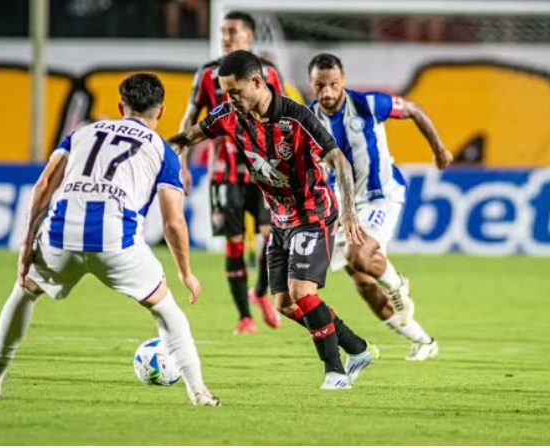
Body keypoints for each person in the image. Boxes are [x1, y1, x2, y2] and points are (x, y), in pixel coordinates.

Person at [0, 73, 220, 406]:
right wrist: (186, 271)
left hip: (60, 235)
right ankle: (199, 392)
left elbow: (43, 186)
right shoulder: (162, 150)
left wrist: (27, 242)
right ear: (162, 110)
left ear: (119, 106)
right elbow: (173, 221)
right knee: (166, 309)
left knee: (24, 293)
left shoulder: (81, 133)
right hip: (117, 242)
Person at [169, 50, 378, 390]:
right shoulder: (229, 115)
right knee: (283, 303)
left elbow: (338, 159)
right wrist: (153, 150)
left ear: (256, 82)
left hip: (313, 214)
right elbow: (188, 137)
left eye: (235, 91)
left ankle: (335, 372)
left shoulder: (296, 117)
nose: (229, 99)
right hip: (279, 219)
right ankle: (357, 347)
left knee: (301, 291)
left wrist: (350, 212)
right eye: (225, 92)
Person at [307, 53, 453, 360]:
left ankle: (398, 286)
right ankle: (423, 340)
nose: (328, 93)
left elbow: (414, 110)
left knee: (358, 255)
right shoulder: (308, 118)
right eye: (320, 86)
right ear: (311, 85)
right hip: (343, 203)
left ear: (343, 81)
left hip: (382, 196)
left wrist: (438, 149)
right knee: (363, 284)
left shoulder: (369, 105)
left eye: (333, 84)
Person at [179, 10, 285, 335]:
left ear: (249, 37)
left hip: (264, 171)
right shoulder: (208, 73)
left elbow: (282, 118)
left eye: (234, 31)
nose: (227, 36)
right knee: (234, 243)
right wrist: (182, 161)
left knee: (274, 238)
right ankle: (244, 316)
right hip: (224, 174)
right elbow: (190, 119)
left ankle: (260, 293)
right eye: (224, 31)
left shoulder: (267, 73)